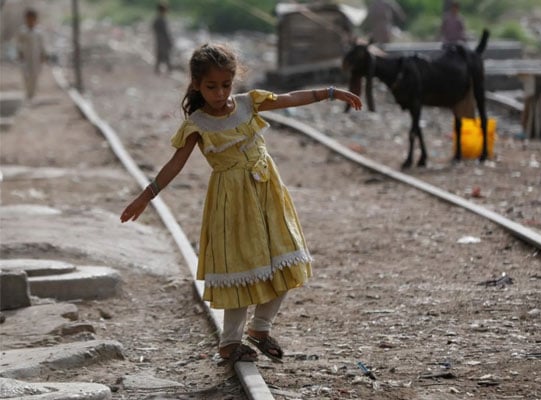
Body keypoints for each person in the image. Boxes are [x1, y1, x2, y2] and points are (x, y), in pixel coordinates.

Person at [120, 43, 362, 363]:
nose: (219, 93)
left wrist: (332, 92)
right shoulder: (198, 123)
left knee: (286, 258)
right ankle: (230, 341)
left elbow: (290, 98)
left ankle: (260, 329)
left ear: (234, 81)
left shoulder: (250, 103)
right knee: (240, 268)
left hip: (267, 193)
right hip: (231, 202)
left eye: (225, 85)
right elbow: (175, 164)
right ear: (196, 84)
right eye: (211, 86)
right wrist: (146, 196)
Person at [16, 7, 47, 101]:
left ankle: (32, 95)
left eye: (32, 18)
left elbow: (42, 45)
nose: (30, 20)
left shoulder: (39, 32)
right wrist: (19, 54)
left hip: (36, 57)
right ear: (26, 19)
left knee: (34, 75)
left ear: (35, 19)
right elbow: (18, 44)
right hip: (26, 57)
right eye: (28, 18)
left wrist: (43, 56)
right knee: (26, 75)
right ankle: (28, 93)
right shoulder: (22, 31)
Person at [152, 1, 173, 74]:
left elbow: (154, 28)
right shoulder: (161, 20)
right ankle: (169, 70)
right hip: (163, 40)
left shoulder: (157, 19)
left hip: (159, 40)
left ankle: (157, 70)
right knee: (166, 55)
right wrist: (169, 41)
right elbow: (165, 32)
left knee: (160, 56)